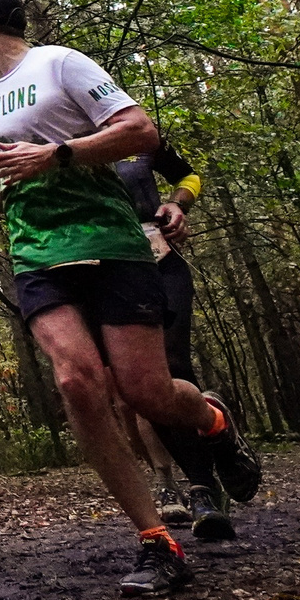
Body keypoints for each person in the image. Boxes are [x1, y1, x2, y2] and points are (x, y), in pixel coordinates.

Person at [0, 0, 261, 597]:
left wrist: (57, 154)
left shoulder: (59, 62)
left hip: (110, 244)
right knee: (78, 383)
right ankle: (156, 541)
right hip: (37, 256)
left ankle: (213, 420)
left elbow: (139, 130)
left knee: (147, 391)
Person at [109, 142, 233, 542]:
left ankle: (202, 488)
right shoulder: (45, 140)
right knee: (137, 390)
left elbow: (188, 175)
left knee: (173, 363)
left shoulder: (132, 134)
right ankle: (200, 444)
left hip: (160, 260)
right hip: (102, 268)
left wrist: (178, 204)